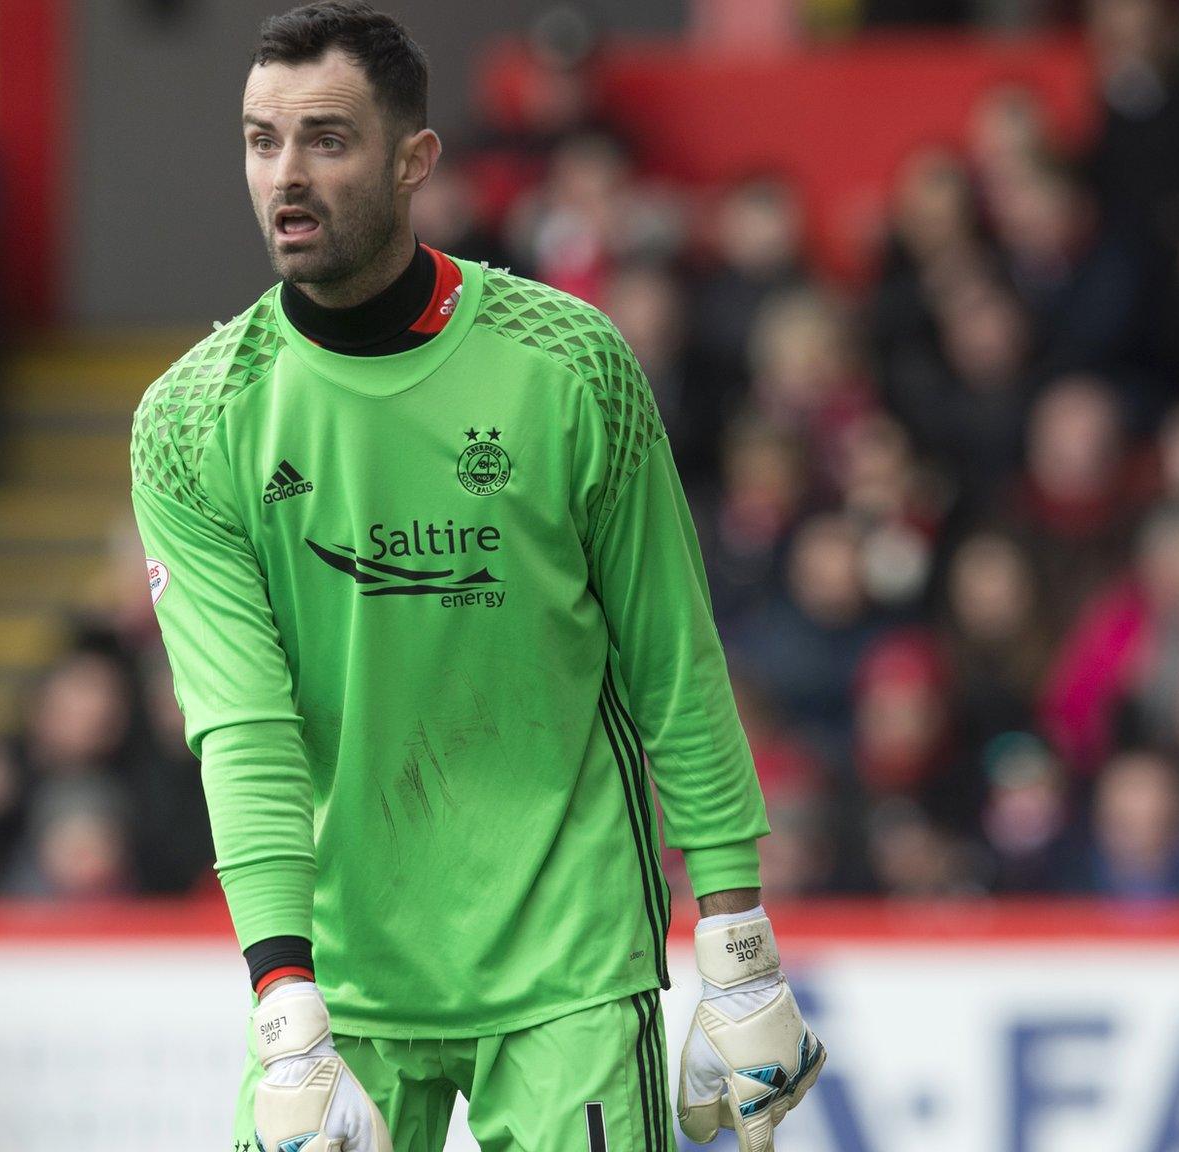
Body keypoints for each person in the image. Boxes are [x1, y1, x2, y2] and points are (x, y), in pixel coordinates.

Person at [127, 6, 821, 1151]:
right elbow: (241, 725)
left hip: (568, 963)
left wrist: (737, 945)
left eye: (326, 139)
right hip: (338, 975)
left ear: (415, 162)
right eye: (260, 141)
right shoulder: (191, 421)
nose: (284, 176)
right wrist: (284, 1004)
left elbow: (672, 657)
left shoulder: (571, 366)